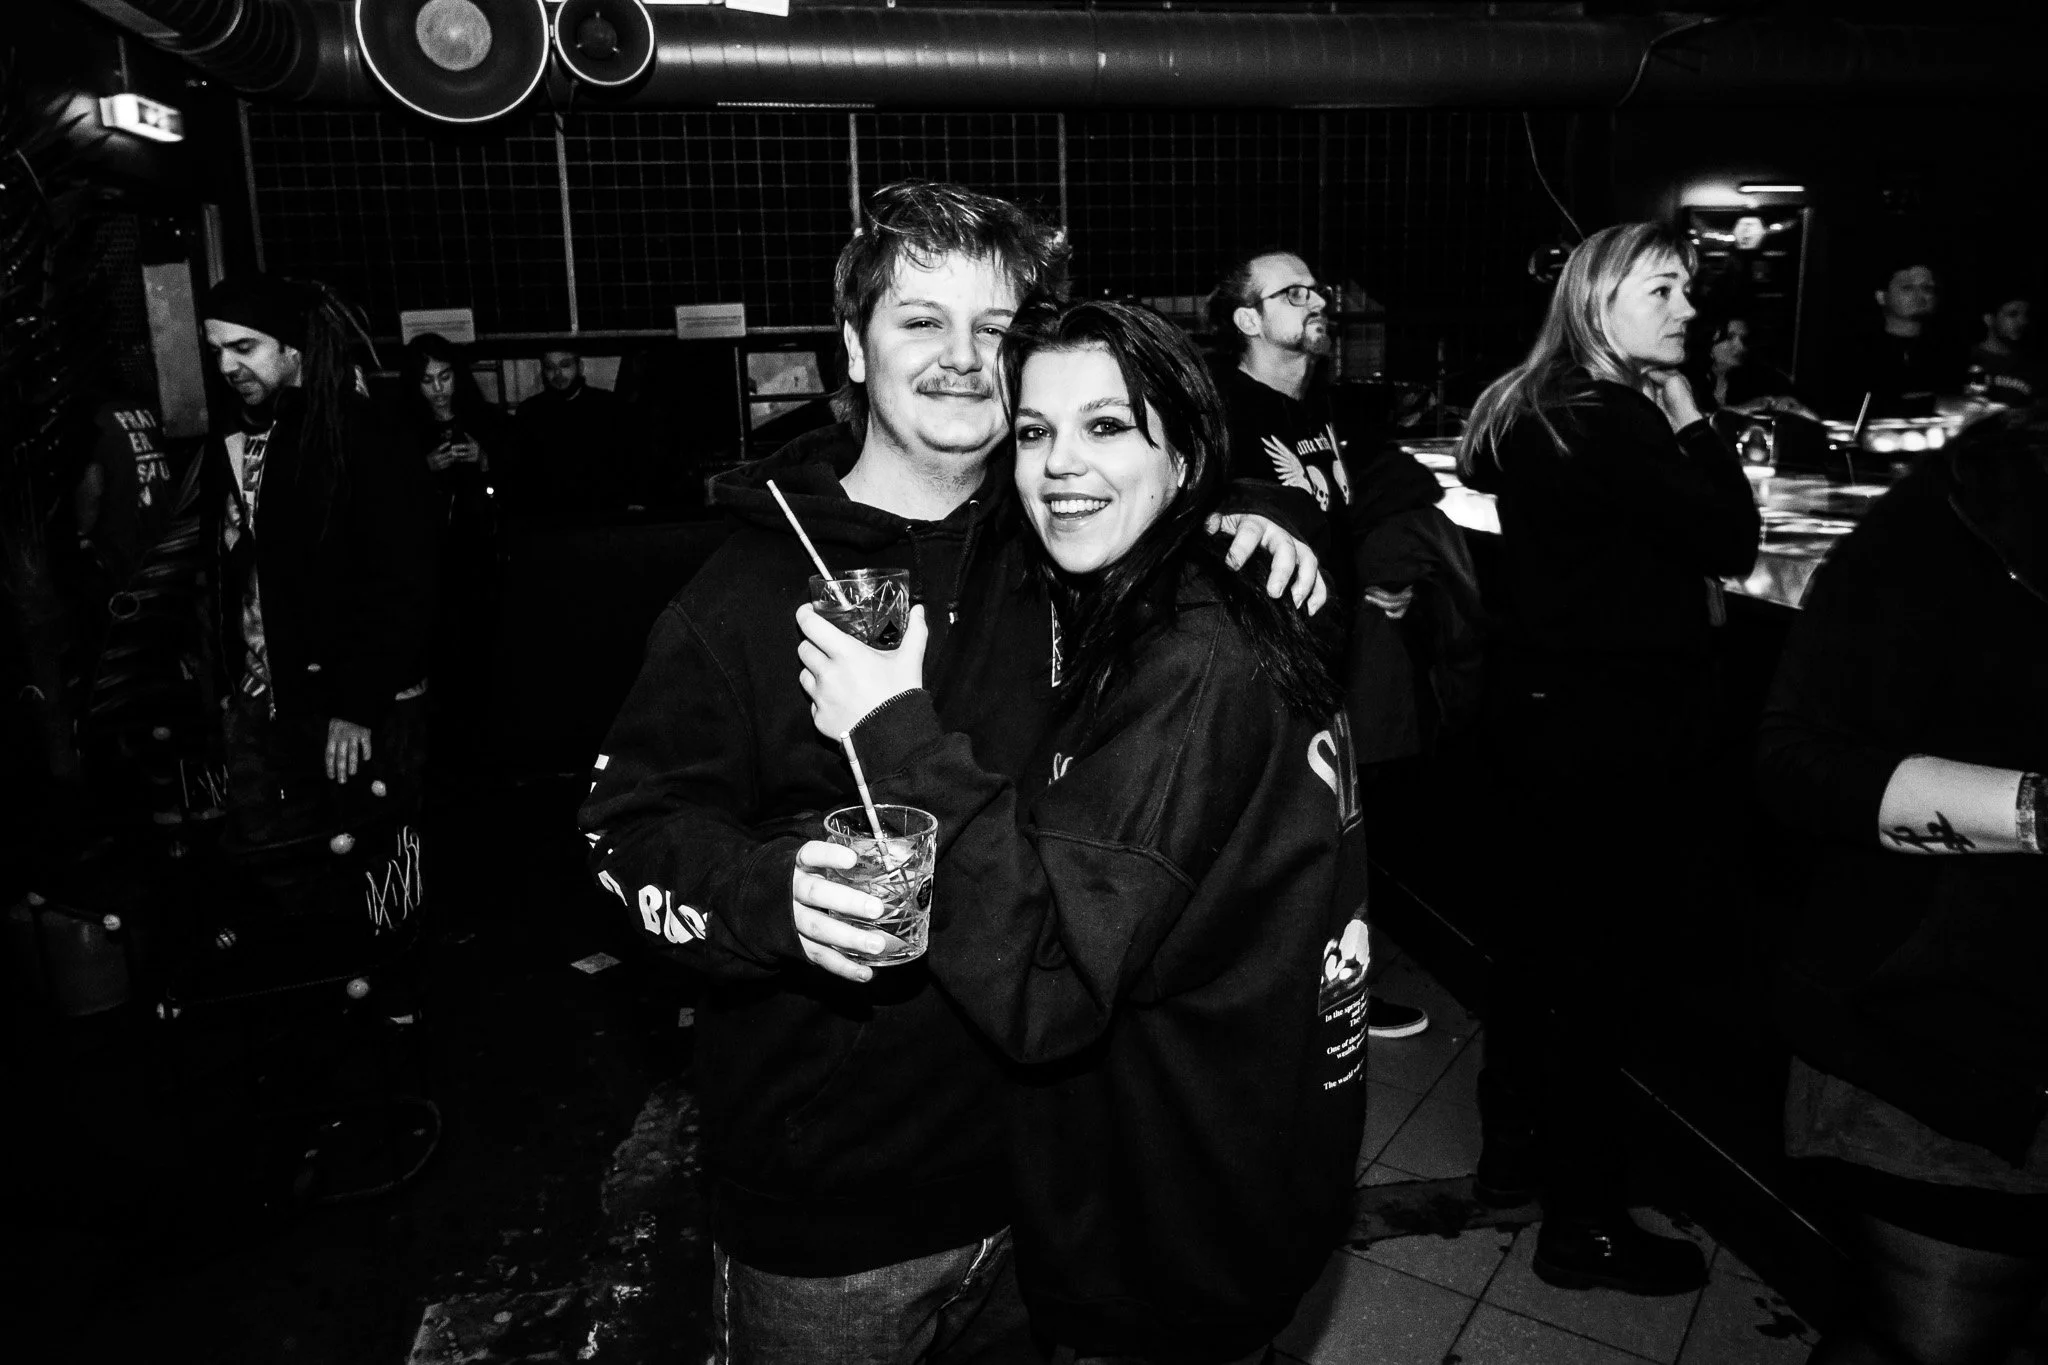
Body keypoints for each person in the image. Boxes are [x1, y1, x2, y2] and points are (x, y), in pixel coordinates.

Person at [577, 181, 1322, 1365]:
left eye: (996, 325)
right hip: (835, 1221)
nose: (964, 357)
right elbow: (623, 834)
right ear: (852, 346)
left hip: (1059, 1185)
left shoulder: (1071, 546)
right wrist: (767, 896)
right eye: (920, 320)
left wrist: (1244, 508)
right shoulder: (742, 594)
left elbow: (1150, 465)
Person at [792, 298, 1369, 1365]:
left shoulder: (1193, 657)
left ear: (1184, 454)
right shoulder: (1187, 594)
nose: (1060, 462)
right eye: (1034, 431)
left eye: (1105, 425)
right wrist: (1246, 506)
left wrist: (890, 725)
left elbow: (1048, 986)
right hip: (1245, 1171)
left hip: (1170, 1235)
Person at [1456, 222, 1760, 1295]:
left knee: (1535, 956)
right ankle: (1581, 1224)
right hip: (1613, 731)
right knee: (1598, 979)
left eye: (1687, 290)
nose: (1688, 310)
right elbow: (1732, 541)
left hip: (1541, 716)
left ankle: (1512, 1159)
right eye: (1663, 289)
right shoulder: (1613, 418)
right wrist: (1690, 413)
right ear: (1596, 302)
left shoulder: (1531, 405)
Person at [1758, 403, 2048, 1365]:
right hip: (1948, 1027)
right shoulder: (1965, 502)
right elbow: (1795, 761)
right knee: (1935, 1343)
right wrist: (2033, 809)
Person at [1208, 249, 1489, 1036]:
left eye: (1317, 289)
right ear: (1248, 318)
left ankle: (1329, 995)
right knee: (1282, 845)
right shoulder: (1226, 412)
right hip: (1267, 664)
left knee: (1331, 837)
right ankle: (1285, 1010)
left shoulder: (1315, 410)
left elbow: (1338, 513)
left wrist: (1370, 577)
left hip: (1326, 655)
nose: (1317, 302)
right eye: (1292, 293)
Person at [201, 273, 436, 846]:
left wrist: (355, 704)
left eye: (244, 346)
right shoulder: (239, 434)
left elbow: (401, 576)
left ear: (292, 347)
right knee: (278, 862)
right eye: (217, 350)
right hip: (270, 695)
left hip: (359, 707)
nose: (227, 366)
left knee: (372, 866)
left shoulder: (359, 432)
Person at [400, 333, 511, 773]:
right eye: (428, 381)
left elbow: (520, 478)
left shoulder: (485, 420)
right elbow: (390, 496)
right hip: (431, 567)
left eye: (445, 377)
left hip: (481, 560)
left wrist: (484, 460)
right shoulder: (405, 429)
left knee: (486, 657)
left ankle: (488, 750)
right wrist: (424, 468)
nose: (439, 389)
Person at [516, 344, 641, 518]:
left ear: (579, 367)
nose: (557, 374)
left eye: (565, 365)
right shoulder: (530, 412)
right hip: (551, 513)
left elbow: (628, 457)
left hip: (602, 510)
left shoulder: (608, 406)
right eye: (550, 368)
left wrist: (632, 499)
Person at [1829, 261, 1953, 420]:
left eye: (1927, 288)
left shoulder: (1948, 350)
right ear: (1882, 297)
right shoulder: (1857, 350)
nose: (1919, 296)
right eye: (1907, 288)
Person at [1686, 310, 1815, 419]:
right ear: (1708, 341)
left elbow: (1805, 414)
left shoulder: (1766, 378)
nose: (1740, 347)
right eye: (1729, 338)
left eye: (1743, 339)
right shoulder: (1686, 379)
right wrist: (1743, 409)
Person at [1962, 291, 2039, 408]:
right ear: (1989, 319)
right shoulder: (1966, 359)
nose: (2023, 321)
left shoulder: (2034, 365)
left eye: (2026, 315)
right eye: (2013, 314)